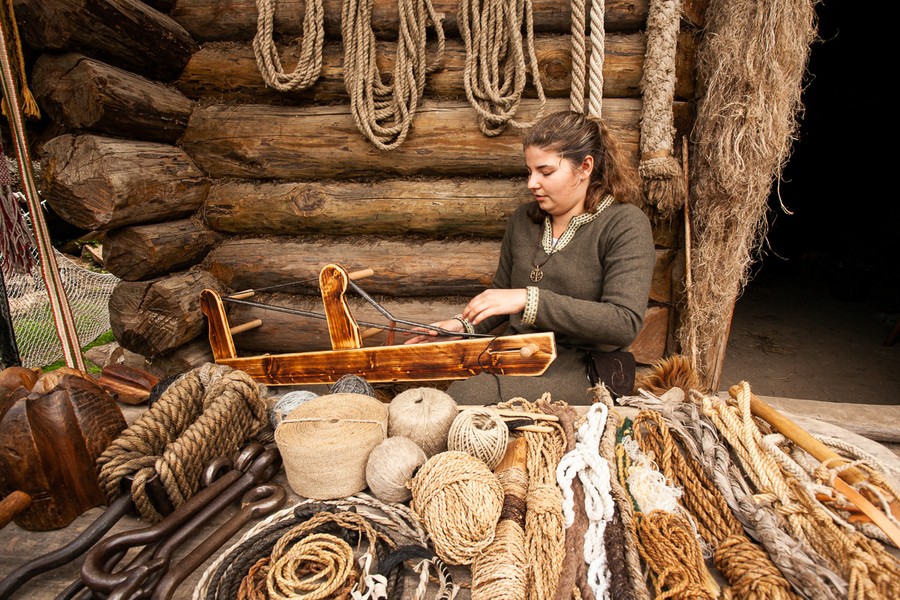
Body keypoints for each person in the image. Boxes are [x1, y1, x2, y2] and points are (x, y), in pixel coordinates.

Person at [405, 110, 655, 404]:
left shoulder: (624, 224)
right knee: (441, 398)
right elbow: (500, 296)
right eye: (530, 171)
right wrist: (462, 325)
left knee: (470, 397)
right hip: (516, 357)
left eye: (545, 172)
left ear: (585, 167)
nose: (532, 183)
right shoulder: (523, 221)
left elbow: (623, 322)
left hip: (586, 369)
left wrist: (530, 299)